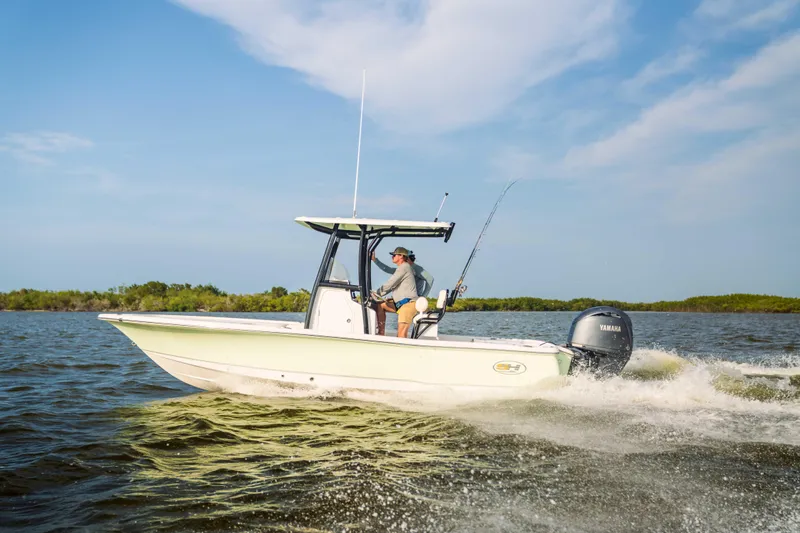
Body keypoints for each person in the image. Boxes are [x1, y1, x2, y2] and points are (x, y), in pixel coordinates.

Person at [371, 246, 418, 338]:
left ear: (401, 256)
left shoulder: (404, 267)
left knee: (401, 335)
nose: (392, 257)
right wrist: (374, 260)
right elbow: (386, 269)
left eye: (394, 255)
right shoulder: (400, 268)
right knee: (381, 306)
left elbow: (390, 284)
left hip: (408, 304)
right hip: (400, 303)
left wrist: (375, 293)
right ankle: (381, 335)